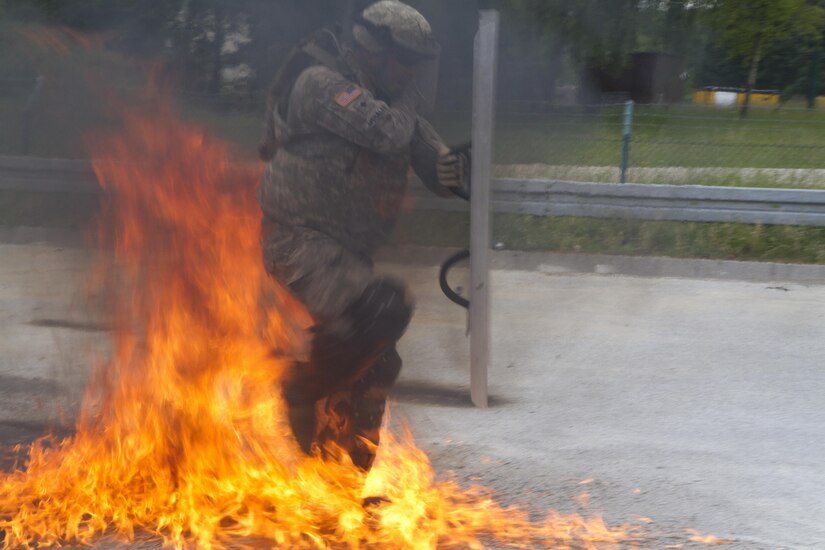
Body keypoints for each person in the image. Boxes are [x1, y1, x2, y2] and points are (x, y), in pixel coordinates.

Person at [258, 0, 469, 471]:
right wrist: (414, 104)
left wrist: (448, 169)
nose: (411, 74)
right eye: (405, 63)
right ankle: (301, 386)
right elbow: (388, 133)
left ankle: (343, 473)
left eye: (418, 65)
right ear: (371, 49)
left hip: (343, 250)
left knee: (376, 363)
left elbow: (426, 155)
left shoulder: (393, 100)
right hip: (298, 239)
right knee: (380, 311)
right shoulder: (321, 83)